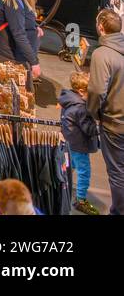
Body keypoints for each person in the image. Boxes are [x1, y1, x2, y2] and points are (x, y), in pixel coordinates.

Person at [87, 7, 124, 215]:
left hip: (114, 123)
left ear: (101, 28)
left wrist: (93, 113)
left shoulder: (102, 54)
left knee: (118, 172)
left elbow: (97, 90)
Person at [60, 70, 101, 215]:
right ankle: (81, 200)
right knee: (84, 172)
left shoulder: (69, 99)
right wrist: (99, 125)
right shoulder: (81, 108)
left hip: (71, 141)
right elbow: (89, 129)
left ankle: (62, 185)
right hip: (79, 144)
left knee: (71, 165)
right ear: (82, 91)